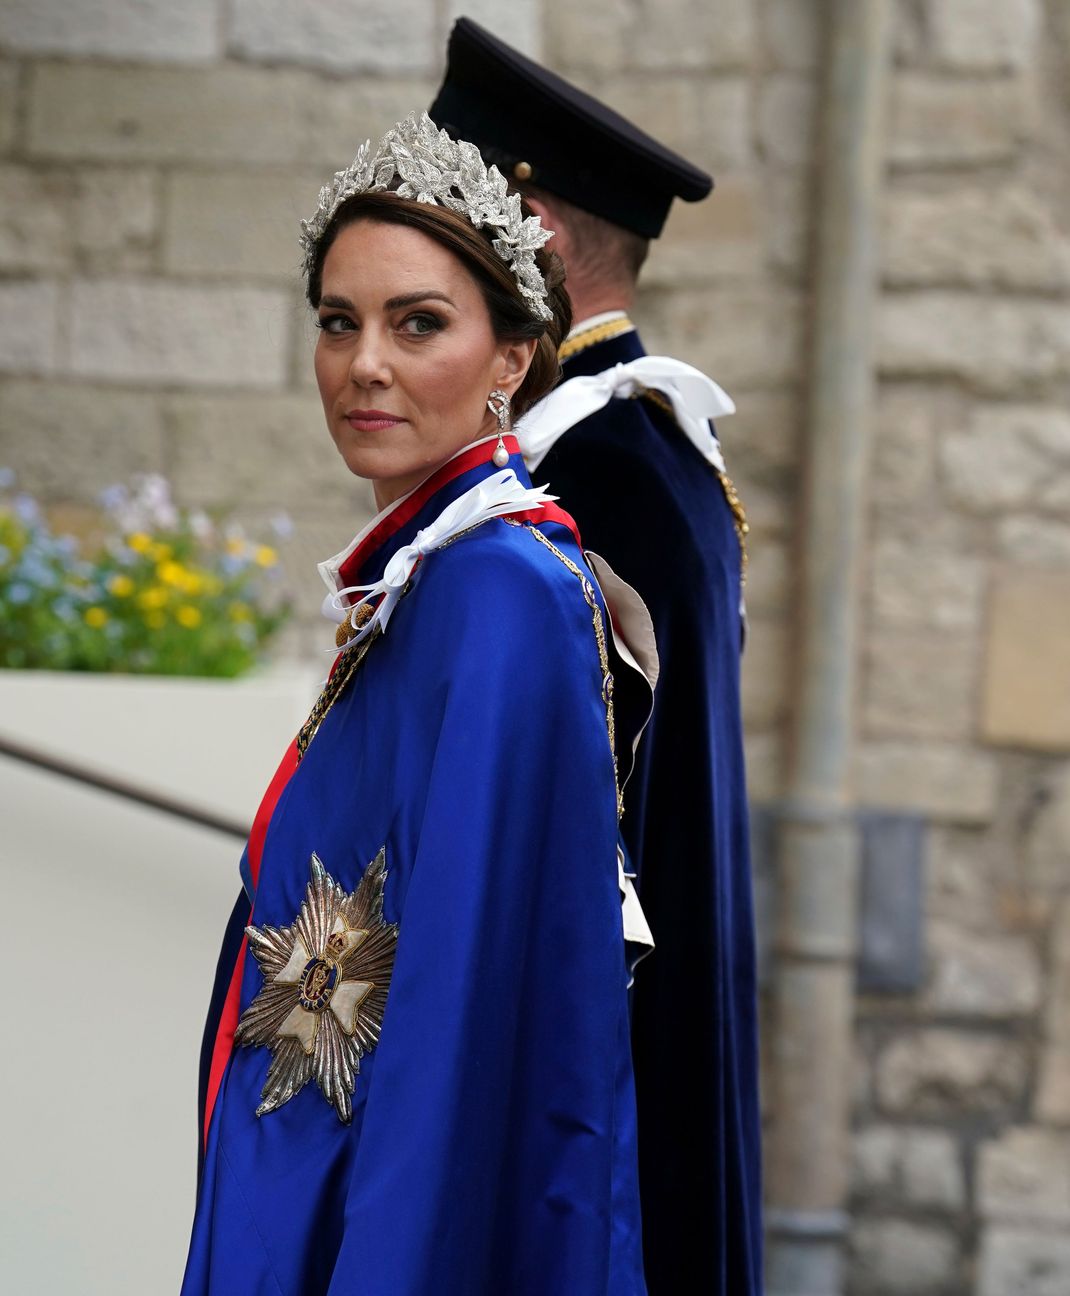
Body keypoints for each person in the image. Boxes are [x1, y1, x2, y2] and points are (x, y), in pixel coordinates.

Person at [182, 112, 658, 1295]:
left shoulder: (497, 591)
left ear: (511, 358)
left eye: (418, 324)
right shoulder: (436, 571)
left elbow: (463, 1009)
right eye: (337, 323)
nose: (364, 365)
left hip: (380, 1210)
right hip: (316, 1167)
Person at [431, 21, 763, 1296]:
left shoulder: (590, 472)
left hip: (593, 1077)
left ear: (536, 233)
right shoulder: (641, 449)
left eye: (452, 218)